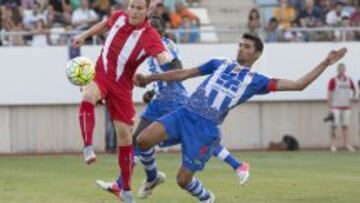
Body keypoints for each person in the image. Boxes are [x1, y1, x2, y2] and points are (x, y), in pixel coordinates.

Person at [133, 34, 347, 202]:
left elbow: (299, 85)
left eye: (247, 47)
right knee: (142, 139)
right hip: (184, 113)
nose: (241, 49)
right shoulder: (220, 63)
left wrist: (325, 63)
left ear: (257, 55)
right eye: (240, 45)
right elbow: (184, 73)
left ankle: (206, 198)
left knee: (182, 180)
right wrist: (150, 77)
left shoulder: (257, 81)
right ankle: (153, 178)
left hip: (205, 129)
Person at [95, 15, 250, 201]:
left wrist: (156, 77)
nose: (144, 31)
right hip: (162, 98)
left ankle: (138, 181)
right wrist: (151, 90)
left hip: (172, 97)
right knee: (148, 139)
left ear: (157, 31)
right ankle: (236, 166)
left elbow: (177, 67)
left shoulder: (163, 44)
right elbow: (162, 72)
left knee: (186, 136)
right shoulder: (152, 47)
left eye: (149, 28)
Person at [72, 0, 177, 202]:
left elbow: (165, 60)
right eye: (132, 6)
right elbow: (104, 24)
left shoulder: (150, 35)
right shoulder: (119, 17)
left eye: (139, 8)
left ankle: (126, 191)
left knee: (126, 139)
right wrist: (84, 36)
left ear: (147, 10)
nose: (134, 11)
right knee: (88, 96)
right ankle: (88, 147)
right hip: (101, 75)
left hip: (122, 88)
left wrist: (167, 62)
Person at [327, 63, 356, 152]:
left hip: (346, 107)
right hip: (335, 107)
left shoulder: (349, 80)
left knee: (345, 126)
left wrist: (352, 100)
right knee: (334, 126)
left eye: (343, 69)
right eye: (340, 69)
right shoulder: (333, 80)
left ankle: (346, 144)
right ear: (337, 70)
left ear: (345, 70)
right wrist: (329, 107)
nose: (341, 71)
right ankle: (333, 145)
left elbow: (354, 90)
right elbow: (329, 93)